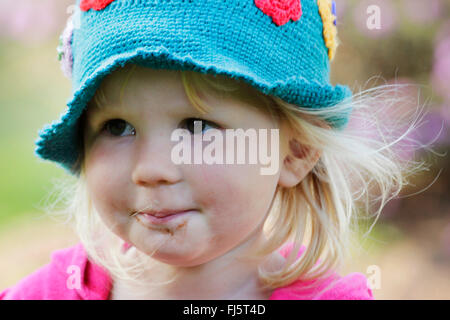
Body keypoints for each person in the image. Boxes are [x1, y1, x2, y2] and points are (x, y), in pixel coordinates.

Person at [1, 0, 423, 300]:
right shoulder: (52, 292)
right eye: (117, 126)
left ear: (294, 151)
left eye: (197, 126)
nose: (151, 169)